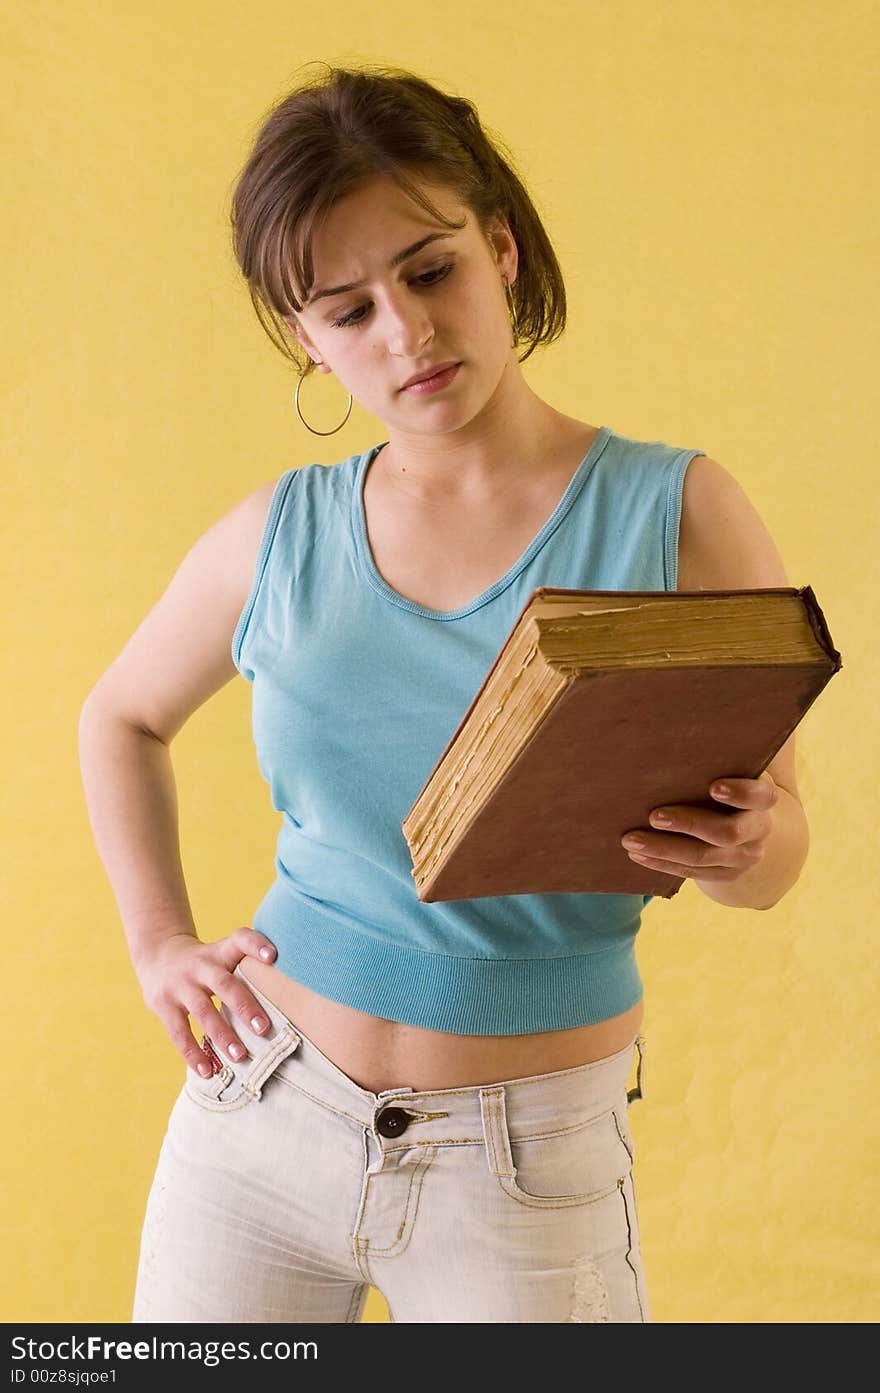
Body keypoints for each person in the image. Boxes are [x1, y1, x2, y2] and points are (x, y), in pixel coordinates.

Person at [77, 62, 809, 1325]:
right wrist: (159, 944)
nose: (406, 334)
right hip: (258, 1117)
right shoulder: (279, 536)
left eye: (430, 271)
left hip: (528, 1171)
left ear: (503, 250)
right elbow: (121, 716)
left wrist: (745, 844)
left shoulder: (676, 511)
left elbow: (776, 854)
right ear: (305, 340)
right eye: (346, 310)